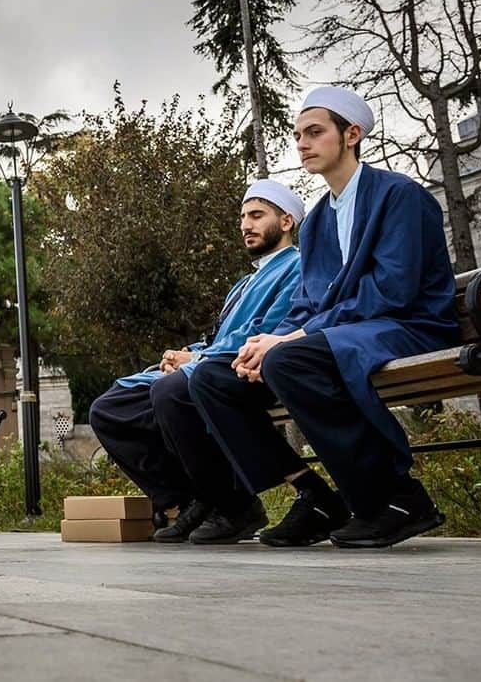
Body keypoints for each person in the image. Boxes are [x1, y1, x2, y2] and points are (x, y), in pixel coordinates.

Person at [190, 86, 459, 549]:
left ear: (351, 134)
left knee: (291, 360)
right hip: (347, 334)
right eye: (297, 135)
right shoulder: (316, 221)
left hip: (410, 327)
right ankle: (315, 498)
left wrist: (293, 338)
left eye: (315, 132)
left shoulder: (399, 196)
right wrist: (266, 341)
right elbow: (308, 302)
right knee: (215, 377)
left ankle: (394, 498)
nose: (302, 143)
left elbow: (393, 291)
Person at [88, 180, 304, 544]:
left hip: (246, 368)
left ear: (285, 222)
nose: (245, 225)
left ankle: (234, 505)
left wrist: (198, 358)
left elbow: (269, 330)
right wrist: (182, 353)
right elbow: (217, 336)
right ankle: (192, 499)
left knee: (171, 391)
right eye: (242, 218)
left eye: (256, 215)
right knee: (110, 408)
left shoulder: (295, 268)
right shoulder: (243, 284)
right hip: (208, 361)